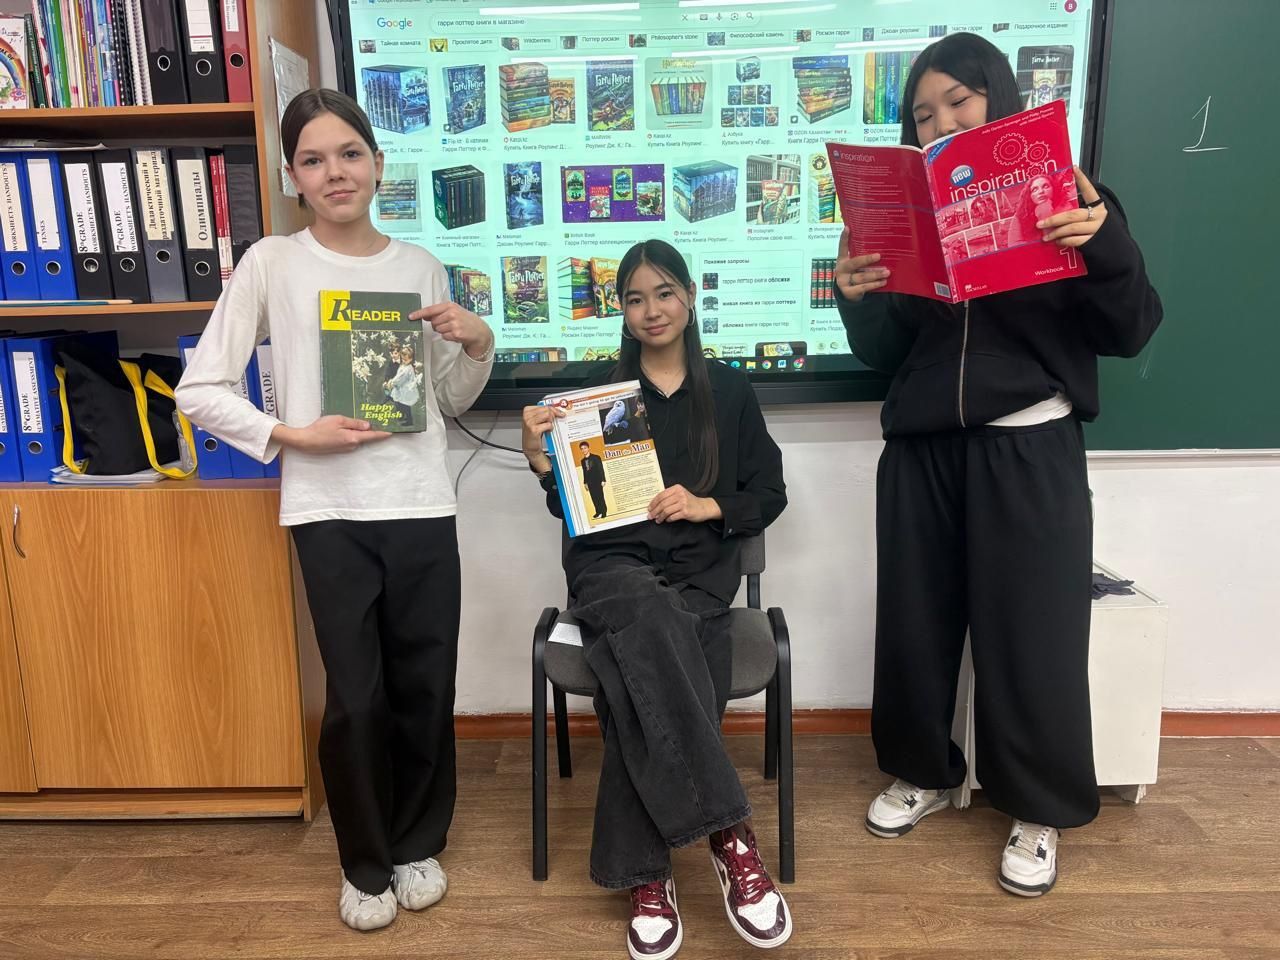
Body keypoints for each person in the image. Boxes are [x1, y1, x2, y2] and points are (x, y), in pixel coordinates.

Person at [834, 32, 1163, 897]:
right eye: (922, 113)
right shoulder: (906, 212)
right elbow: (884, 354)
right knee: (915, 628)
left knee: (1033, 638)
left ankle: (1038, 808)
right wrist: (855, 296)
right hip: (922, 452)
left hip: (1028, 445)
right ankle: (920, 772)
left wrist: (1105, 241)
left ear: (999, 100)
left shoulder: (1074, 197)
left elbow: (1133, 329)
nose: (941, 122)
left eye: (959, 101)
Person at [175, 88, 494, 931]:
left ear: (379, 164)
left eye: (350, 154)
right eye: (313, 160)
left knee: (425, 685)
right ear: (292, 177)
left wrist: (478, 344)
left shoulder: (420, 266)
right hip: (327, 512)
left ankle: (418, 842)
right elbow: (198, 389)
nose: (335, 172)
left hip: (420, 504)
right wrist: (293, 435)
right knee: (355, 697)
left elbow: (444, 399)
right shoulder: (271, 264)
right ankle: (365, 862)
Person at [521, 239, 792, 958]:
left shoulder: (730, 391)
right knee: (648, 619)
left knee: (634, 678)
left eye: (664, 293)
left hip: (698, 579)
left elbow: (770, 493)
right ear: (620, 308)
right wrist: (540, 461)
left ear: (690, 297)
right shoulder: (596, 395)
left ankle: (646, 875)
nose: (651, 310)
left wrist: (708, 506)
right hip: (611, 573)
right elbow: (571, 506)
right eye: (635, 298)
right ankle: (731, 836)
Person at [1007, 171, 1072, 246]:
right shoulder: (1020, 215)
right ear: (1029, 195)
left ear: (1053, 189)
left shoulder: (1065, 207)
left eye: (1045, 186)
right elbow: (1013, 245)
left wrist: (1045, 210)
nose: (1041, 191)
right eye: (1035, 189)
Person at [386, 344, 421, 427]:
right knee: (398, 402)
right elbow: (398, 376)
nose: (404, 361)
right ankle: (401, 416)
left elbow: (401, 378)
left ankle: (409, 420)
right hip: (401, 388)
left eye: (406, 360)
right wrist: (392, 381)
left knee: (405, 405)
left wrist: (392, 382)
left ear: (411, 359)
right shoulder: (403, 366)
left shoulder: (408, 368)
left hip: (406, 389)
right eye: (402, 359)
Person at [578, 440, 608, 518]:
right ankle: (598, 512)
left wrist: (603, 480)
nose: (584, 450)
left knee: (600, 497)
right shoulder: (582, 461)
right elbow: (584, 472)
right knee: (594, 498)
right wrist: (585, 483)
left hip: (597, 480)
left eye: (585, 448)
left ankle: (603, 512)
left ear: (588, 448)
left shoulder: (596, 457)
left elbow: (601, 469)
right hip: (589, 482)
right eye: (582, 448)